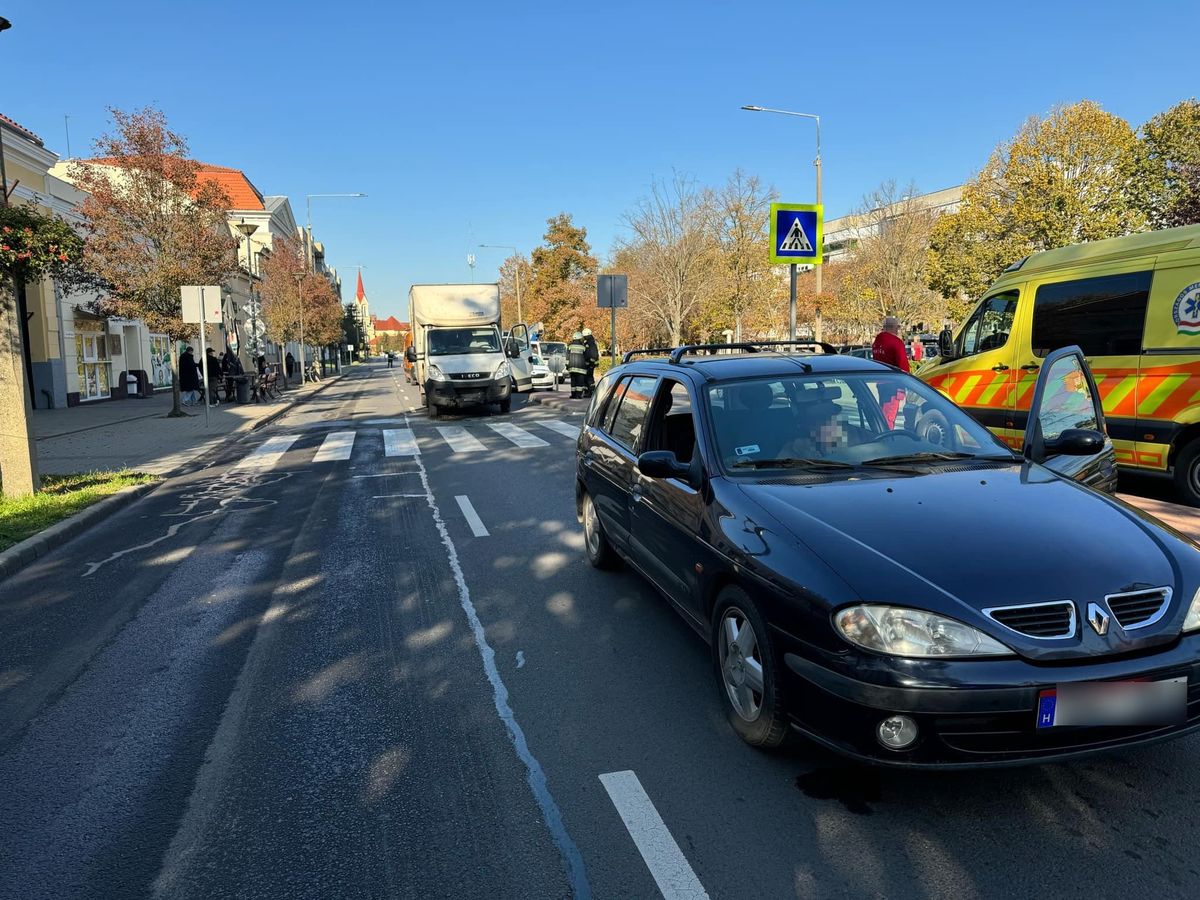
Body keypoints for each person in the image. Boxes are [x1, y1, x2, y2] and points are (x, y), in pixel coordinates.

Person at [872, 316, 910, 429]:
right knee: (889, 415)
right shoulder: (896, 343)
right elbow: (903, 365)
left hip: (881, 382)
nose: (898, 330)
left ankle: (881, 431)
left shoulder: (877, 342)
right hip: (894, 384)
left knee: (883, 412)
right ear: (893, 327)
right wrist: (905, 384)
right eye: (897, 327)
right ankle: (887, 437)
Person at [567, 331, 588, 399]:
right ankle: (578, 395)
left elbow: (567, 358)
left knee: (573, 382)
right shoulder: (583, 347)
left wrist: (567, 366)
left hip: (572, 368)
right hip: (581, 368)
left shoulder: (570, 346)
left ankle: (573, 395)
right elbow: (586, 357)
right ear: (580, 338)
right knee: (580, 382)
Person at [581, 328, 599, 397]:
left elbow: (593, 354)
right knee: (586, 377)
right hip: (587, 364)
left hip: (590, 364)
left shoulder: (591, 343)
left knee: (589, 378)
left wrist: (590, 363)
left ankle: (591, 391)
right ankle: (587, 391)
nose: (583, 337)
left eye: (584, 336)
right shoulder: (587, 342)